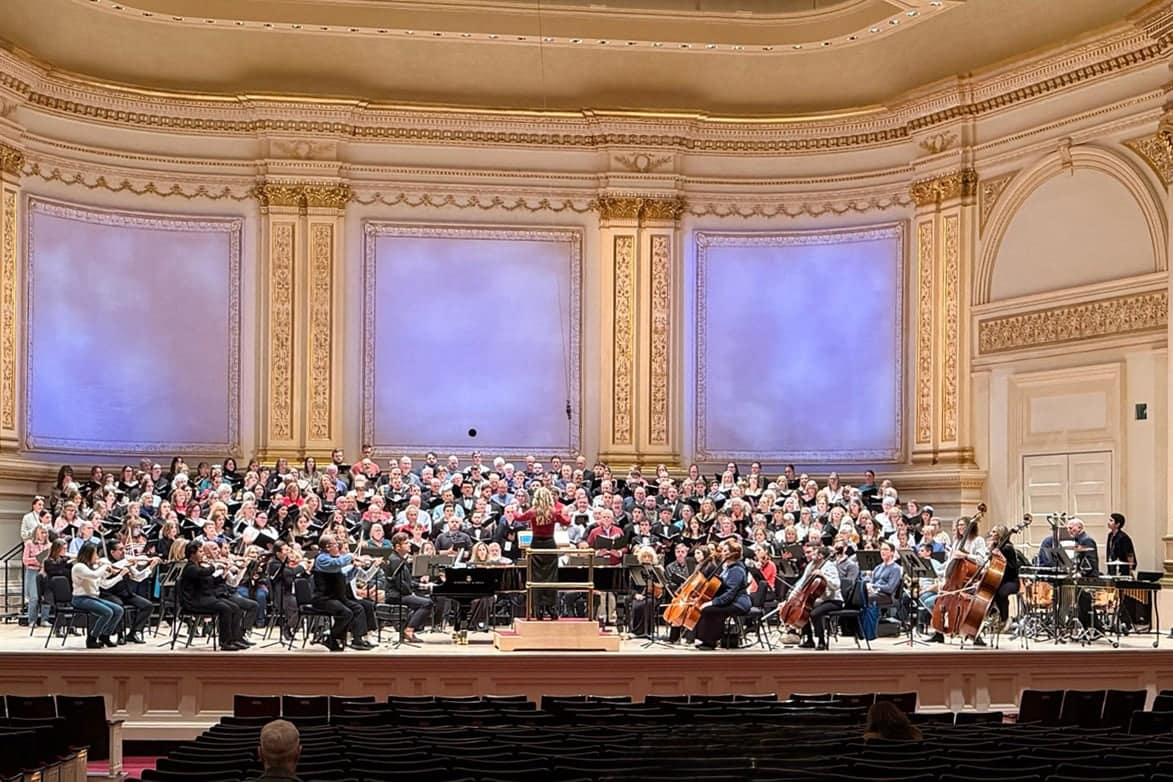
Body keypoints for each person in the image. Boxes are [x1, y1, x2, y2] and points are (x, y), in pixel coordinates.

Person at [179, 541, 249, 650]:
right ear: (192, 554)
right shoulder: (190, 568)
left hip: (206, 597)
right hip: (195, 601)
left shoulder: (199, 566)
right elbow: (204, 573)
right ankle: (225, 642)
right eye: (200, 551)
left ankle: (235, 638)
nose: (203, 554)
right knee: (226, 609)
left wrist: (224, 572)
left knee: (236, 608)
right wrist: (215, 566)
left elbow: (211, 581)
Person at [311, 534, 375, 651]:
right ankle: (331, 637)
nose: (338, 547)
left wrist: (355, 567)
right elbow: (336, 564)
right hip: (324, 599)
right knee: (346, 613)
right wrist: (351, 556)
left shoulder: (333, 559)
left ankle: (357, 639)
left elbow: (345, 578)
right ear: (327, 547)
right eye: (335, 544)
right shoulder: (322, 559)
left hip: (337, 597)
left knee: (358, 608)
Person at [515, 486, 568, 620]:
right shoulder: (554, 512)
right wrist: (567, 514)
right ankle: (552, 608)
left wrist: (513, 510)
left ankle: (537, 609)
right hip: (550, 545)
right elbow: (567, 522)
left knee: (536, 577)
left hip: (536, 545)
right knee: (551, 577)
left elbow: (519, 518)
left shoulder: (532, 512)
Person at [692, 540, 750, 650]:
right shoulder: (727, 568)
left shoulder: (736, 570)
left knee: (709, 610)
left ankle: (710, 641)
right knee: (706, 608)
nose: (722, 553)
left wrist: (713, 602)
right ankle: (705, 639)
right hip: (730, 601)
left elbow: (730, 594)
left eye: (725, 551)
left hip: (738, 603)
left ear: (732, 554)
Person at [70, 542, 126, 649]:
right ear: (88, 554)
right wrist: (105, 566)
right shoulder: (79, 567)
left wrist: (118, 575)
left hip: (92, 598)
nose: (97, 557)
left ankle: (105, 635)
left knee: (118, 610)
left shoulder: (92, 567)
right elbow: (94, 575)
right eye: (95, 554)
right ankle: (92, 638)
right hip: (80, 599)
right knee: (107, 612)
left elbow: (104, 585)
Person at [791, 544, 842, 651]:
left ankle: (821, 641)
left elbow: (836, 585)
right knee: (802, 609)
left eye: (816, 553)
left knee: (814, 613)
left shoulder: (829, 566)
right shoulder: (811, 565)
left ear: (822, 556)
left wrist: (824, 576)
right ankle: (809, 639)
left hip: (833, 600)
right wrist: (792, 597)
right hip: (819, 599)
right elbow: (802, 583)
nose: (813, 555)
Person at [385, 532, 432, 642]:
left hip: (400, 593)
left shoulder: (399, 559)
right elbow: (400, 584)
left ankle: (405, 629)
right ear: (397, 546)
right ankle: (409, 630)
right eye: (406, 543)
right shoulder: (395, 560)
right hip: (395, 595)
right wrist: (411, 593)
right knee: (427, 603)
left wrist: (421, 585)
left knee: (423, 602)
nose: (409, 545)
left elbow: (408, 581)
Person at [22, 524, 51, 627]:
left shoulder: (49, 545)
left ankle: (44, 619)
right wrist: (38, 560)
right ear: (36, 533)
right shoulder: (29, 544)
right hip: (32, 571)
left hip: (45, 572)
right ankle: (32, 620)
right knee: (34, 597)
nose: (44, 535)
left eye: (45, 532)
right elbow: (25, 560)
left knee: (46, 596)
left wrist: (44, 562)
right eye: (42, 532)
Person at [866, 541, 903, 610]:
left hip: (887, 596)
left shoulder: (895, 568)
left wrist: (873, 586)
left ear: (892, 552)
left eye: (886, 549)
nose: (883, 552)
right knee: (859, 596)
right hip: (875, 593)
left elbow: (890, 589)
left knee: (866, 598)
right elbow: (872, 582)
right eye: (882, 549)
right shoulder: (878, 567)